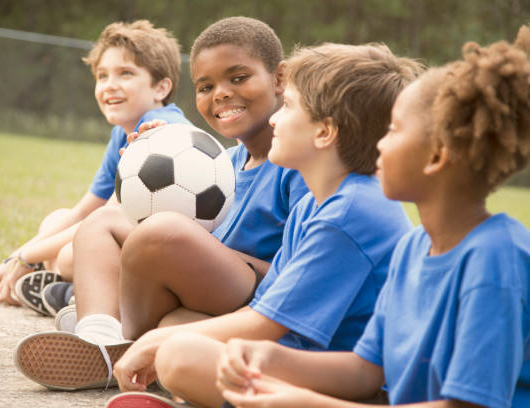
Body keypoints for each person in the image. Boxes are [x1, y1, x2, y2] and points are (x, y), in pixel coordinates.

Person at [214, 25, 530, 408]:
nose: (378, 142)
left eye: (394, 130)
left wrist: (306, 403)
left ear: (436, 156)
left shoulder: (495, 258)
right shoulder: (414, 246)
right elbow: (366, 370)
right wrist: (266, 357)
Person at [103, 41, 424, 408]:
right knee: (178, 329)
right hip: (313, 358)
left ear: (324, 132)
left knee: (180, 355)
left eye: (287, 107)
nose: (274, 119)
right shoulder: (313, 205)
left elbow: (262, 325)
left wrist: (156, 344)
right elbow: (263, 309)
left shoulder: (351, 211)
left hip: (359, 383)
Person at [13, 16, 309, 390]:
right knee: (105, 222)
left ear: (279, 78)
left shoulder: (299, 166)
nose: (219, 93)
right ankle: (100, 335)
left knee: (164, 234)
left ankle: (123, 342)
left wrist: (206, 249)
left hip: (253, 301)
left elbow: (298, 277)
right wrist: (161, 159)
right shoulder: (225, 163)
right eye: (205, 86)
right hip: (202, 294)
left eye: (238, 78)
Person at [0, 20, 191, 314]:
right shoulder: (122, 134)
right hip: (131, 243)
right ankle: (68, 292)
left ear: (161, 87)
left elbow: (106, 219)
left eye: (125, 73)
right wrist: (10, 261)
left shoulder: (161, 132)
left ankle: (88, 297)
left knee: (71, 255)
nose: (110, 85)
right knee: (56, 220)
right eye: (102, 75)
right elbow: (82, 213)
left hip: (171, 258)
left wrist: (26, 258)